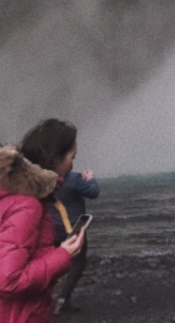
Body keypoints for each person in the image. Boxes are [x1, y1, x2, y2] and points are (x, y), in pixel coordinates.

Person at [0, 136, 84, 323]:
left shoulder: (9, 199)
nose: (71, 165)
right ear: (55, 160)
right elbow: (8, 280)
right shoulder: (27, 206)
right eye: (72, 156)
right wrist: (63, 255)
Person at [51, 153, 99, 313]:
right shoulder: (73, 179)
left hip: (52, 229)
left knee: (53, 262)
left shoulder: (44, 179)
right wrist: (90, 178)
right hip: (75, 227)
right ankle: (63, 299)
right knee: (79, 262)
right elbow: (93, 192)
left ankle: (46, 297)